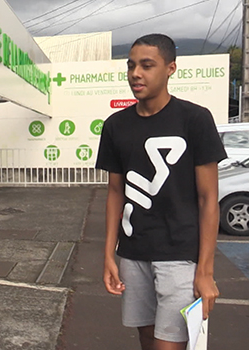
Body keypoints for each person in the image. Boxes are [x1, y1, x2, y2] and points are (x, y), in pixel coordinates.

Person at [95, 33, 226, 350]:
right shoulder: (115, 125)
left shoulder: (194, 119)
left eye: (147, 65)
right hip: (133, 253)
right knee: (146, 337)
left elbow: (208, 200)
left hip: (180, 256)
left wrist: (205, 271)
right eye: (131, 66)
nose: (135, 73)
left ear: (170, 68)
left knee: (169, 344)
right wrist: (108, 254)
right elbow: (115, 192)